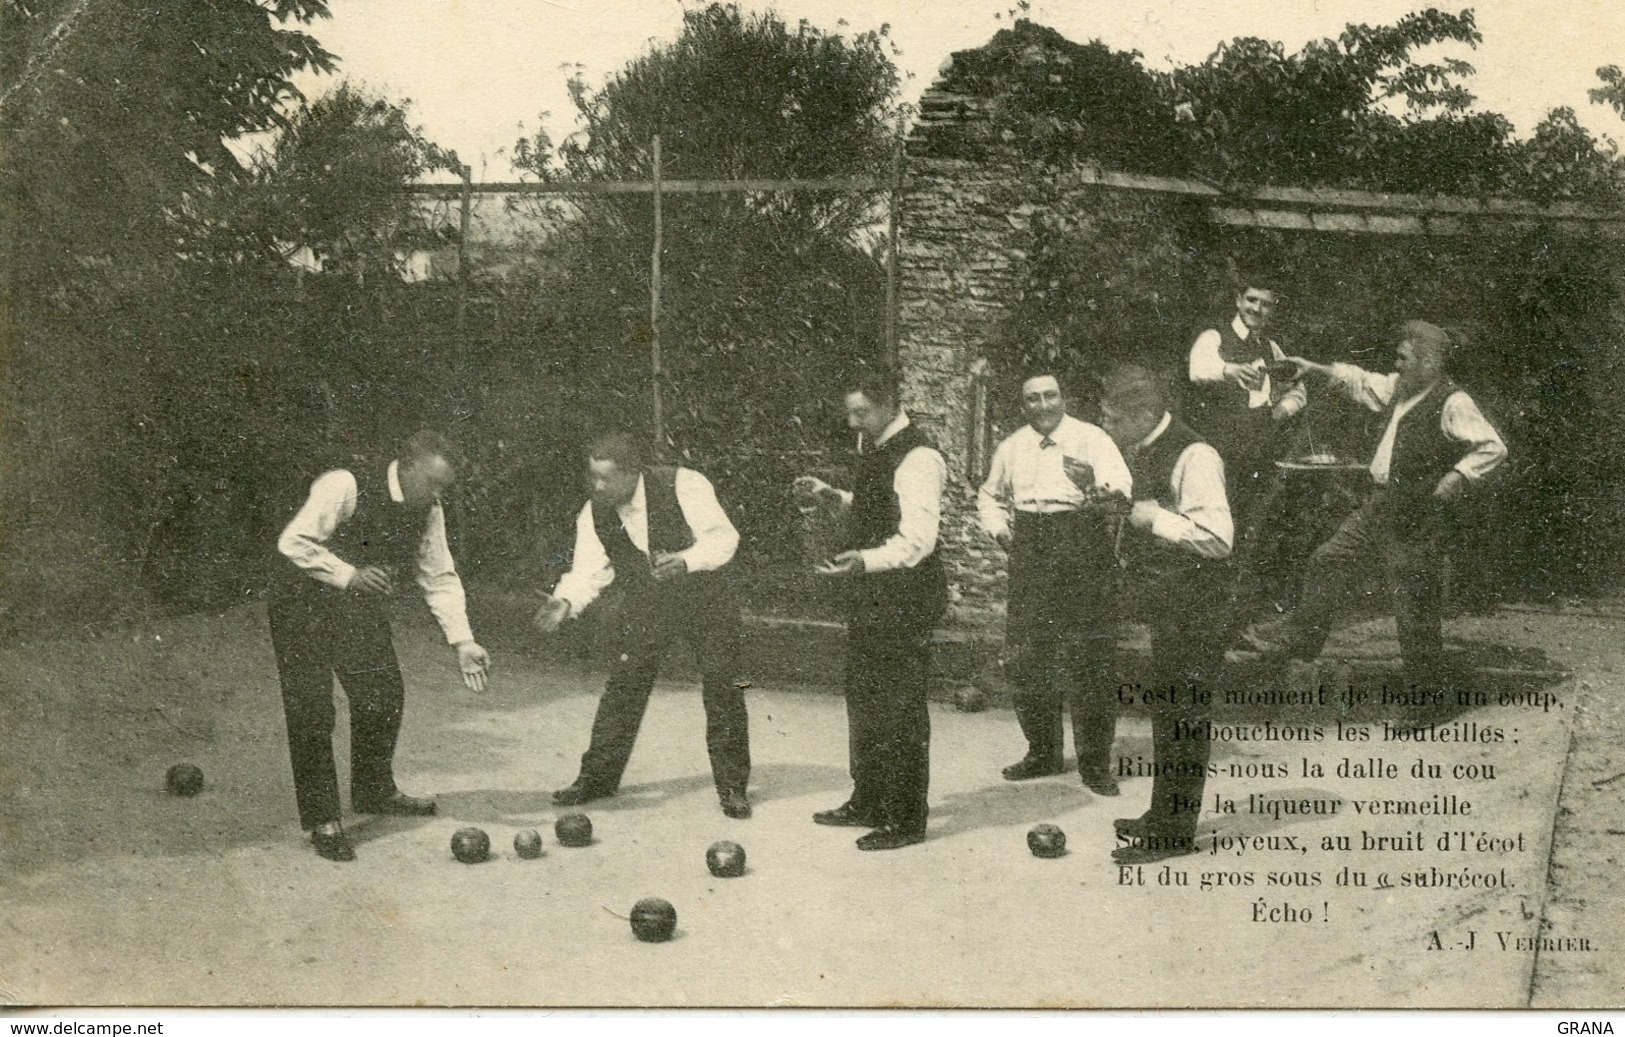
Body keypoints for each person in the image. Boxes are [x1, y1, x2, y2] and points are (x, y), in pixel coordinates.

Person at [269, 430, 491, 862]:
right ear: (407, 468)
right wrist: (347, 574)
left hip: (355, 607)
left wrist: (463, 640)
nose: (438, 495)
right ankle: (323, 818)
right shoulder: (344, 484)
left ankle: (374, 790)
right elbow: (293, 541)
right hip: (301, 603)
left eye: (445, 487)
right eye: (433, 484)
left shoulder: (429, 509)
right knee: (312, 710)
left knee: (382, 696)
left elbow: (439, 575)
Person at [1251, 321, 1507, 686]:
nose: (1397, 365)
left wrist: (1458, 475)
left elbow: (1493, 446)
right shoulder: (1399, 388)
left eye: (1404, 358)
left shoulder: (1453, 401)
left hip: (1418, 515)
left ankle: (1426, 697)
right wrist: (1313, 369)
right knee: (1328, 560)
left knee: (1413, 604)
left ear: (1430, 363)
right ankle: (1301, 643)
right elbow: (1358, 380)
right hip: (1380, 506)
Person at [535, 431, 751, 819]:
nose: (598, 486)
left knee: (723, 686)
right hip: (650, 604)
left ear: (633, 473)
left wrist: (687, 560)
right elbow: (588, 570)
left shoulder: (684, 484)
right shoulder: (593, 511)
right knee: (624, 684)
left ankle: (733, 787)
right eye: (593, 477)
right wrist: (566, 601)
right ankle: (596, 779)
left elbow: (724, 539)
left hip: (707, 598)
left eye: (607, 478)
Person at [794, 364, 947, 851]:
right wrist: (832, 496)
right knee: (864, 699)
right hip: (873, 595)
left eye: (862, 412)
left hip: (906, 598)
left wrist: (864, 559)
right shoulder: (876, 445)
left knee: (899, 708)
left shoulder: (919, 456)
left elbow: (918, 541)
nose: (854, 422)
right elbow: (878, 504)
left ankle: (905, 819)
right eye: (850, 413)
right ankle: (869, 799)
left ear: (888, 405)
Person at [1097, 366, 1234, 866]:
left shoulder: (1196, 455)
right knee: (1168, 712)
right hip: (1172, 603)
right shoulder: (1144, 448)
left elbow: (1219, 539)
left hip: (1200, 605)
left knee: (1185, 717)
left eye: (1113, 419)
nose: (1106, 428)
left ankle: (1174, 834)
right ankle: (1162, 815)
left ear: (1144, 415)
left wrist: (1150, 517)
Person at [976, 371, 1132, 794]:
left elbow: (1121, 488)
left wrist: (1093, 486)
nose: (1042, 405)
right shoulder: (1011, 447)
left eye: (1050, 396)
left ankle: (1095, 764)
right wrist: (999, 528)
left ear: (1063, 399)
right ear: (1022, 405)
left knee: (1090, 656)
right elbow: (989, 495)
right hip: (1030, 543)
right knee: (1028, 652)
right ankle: (1042, 752)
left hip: (1081, 541)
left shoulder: (1092, 438)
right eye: (1032, 399)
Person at [1186, 274, 1307, 545]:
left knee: (1251, 523)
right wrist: (1228, 370)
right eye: (1251, 300)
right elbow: (1197, 369)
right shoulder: (1214, 336)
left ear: (1272, 309)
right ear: (1238, 300)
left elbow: (1298, 390)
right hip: (1220, 449)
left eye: (1266, 304)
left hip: (1257, 451)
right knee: (1214, 524)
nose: (1257, 308)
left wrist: (1280, 411)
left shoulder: (1270, 347)